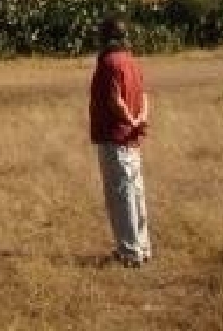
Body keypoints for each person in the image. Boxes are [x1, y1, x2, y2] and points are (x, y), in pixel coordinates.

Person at [89, 16, 152, 267]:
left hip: (115, 137)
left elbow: (115, 100)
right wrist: (140, 119)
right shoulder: (132, 62)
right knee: (136, 193)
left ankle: (129, 252)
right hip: (132, 140)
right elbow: (145, 96)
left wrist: (129, 119)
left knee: (121, 195)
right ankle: (143, 247)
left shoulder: (108, 63)